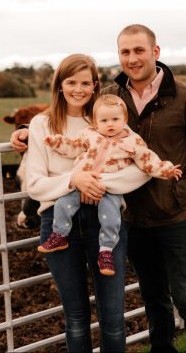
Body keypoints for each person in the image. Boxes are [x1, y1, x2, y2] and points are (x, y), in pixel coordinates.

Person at [11, 24, 186, 352]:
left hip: (165, 213)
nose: (132, 58)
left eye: (139, 50)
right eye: (125, 52)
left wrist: (183, 191)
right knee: (150, 299)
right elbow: (66, 125)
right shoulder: (112, 100)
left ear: (155, 51)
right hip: (127, 217)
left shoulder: (182, 98)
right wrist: (27, 129)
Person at [24, 53, 151, 352]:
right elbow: (35, 185)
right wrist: (73, 180)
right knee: (76, 317)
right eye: (71, 82)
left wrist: (96, 183)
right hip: (57, 223)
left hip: (105, 221)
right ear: (59, 85)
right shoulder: (41, 124)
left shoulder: (106, 119)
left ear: (95, 86)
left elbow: (142, 167)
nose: (78, 89)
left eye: (85, 83)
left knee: (113, 316)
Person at [38, 93, 183, 278]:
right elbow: (72, 146)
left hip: (110, 189)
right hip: (82, 183)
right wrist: (56, 142)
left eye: (115, 119)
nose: (110, 124)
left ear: (125, 119)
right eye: (104, 120)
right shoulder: (89, 134)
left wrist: (166, 170)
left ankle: (105, 251)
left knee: (111, 217)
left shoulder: (133, 141)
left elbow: (148, 160)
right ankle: (59, 235)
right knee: (61, 205)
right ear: (95, 122)